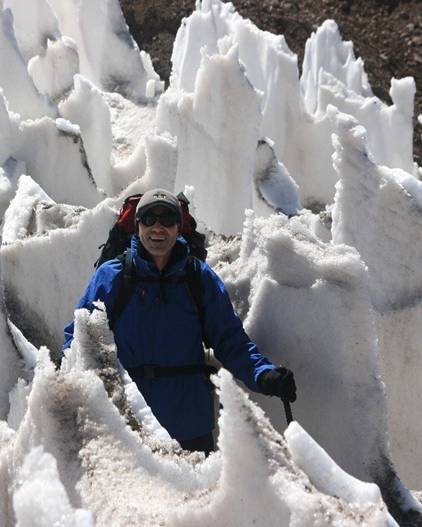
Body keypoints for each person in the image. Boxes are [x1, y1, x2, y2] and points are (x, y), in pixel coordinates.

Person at [63, 188, 296, 454]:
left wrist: (264, 374)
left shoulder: (198, 278)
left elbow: (229, 339)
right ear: (138, 226)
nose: (157, 228)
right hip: (127, 421)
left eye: (167, 220)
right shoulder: (114, 276)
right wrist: (67, 383)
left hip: (189, 425)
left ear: (178, 227)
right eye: (149, 219)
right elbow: (79, 337)